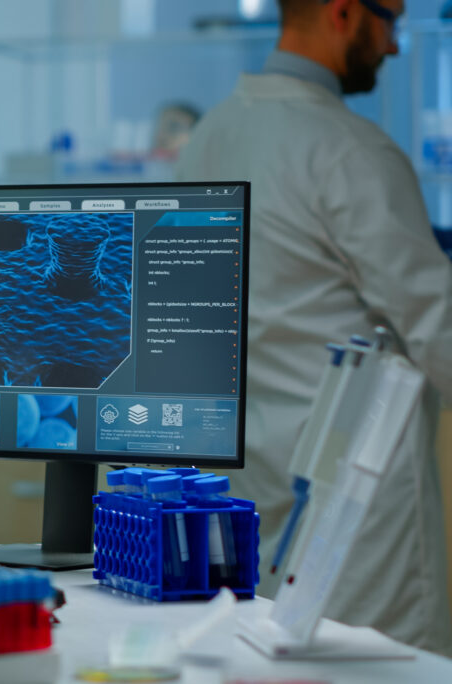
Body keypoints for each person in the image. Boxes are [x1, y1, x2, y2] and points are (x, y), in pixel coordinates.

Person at [176, 0, 452, 655]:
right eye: (390, 24)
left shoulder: (211, 134)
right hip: (352, 496)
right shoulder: (350, 149)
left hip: (250, 478)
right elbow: (436, 326)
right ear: (345, 13)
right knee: (381, 664)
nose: (393, 47)